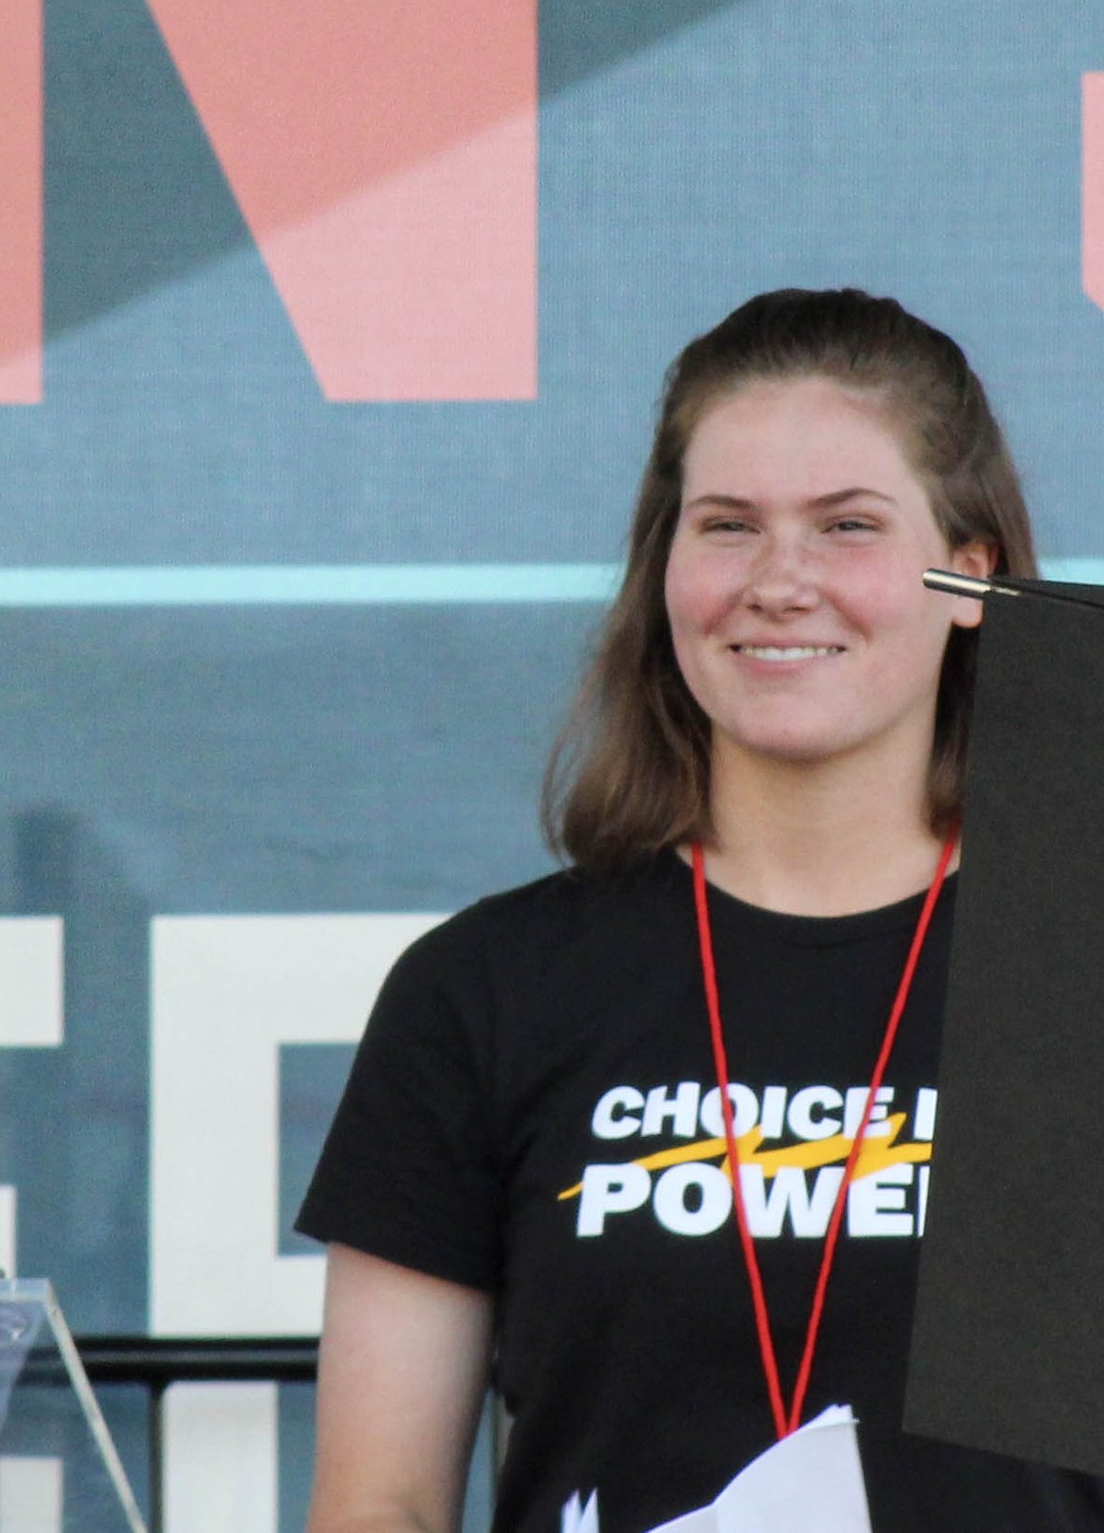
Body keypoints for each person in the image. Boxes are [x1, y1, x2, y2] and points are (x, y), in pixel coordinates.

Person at [296, 288, 1104, 1532]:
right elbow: (380, 1504)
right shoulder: (490, 989)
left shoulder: (1071, 974)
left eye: (846, 525)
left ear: (967, 576)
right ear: (664, 568)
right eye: (727, 525)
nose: (780, 581)